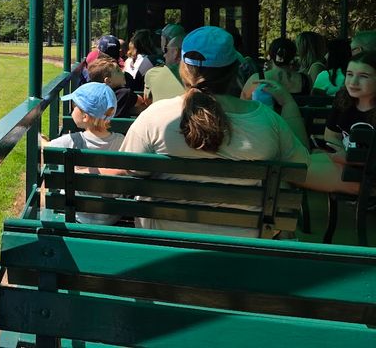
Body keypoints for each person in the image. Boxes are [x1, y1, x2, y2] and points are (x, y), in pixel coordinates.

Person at [118, 26, 358, 238]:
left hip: (167, 242)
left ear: (183, 68)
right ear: (235, 69)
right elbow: (302, 169)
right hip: (247, 243)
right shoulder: (267, 121)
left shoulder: (155, 117)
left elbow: (129, 169)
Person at [46, 82, 124, 225]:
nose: (72, 110)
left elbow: (45, 150)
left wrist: (41, 138)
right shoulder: (122, 141)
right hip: (111, 216)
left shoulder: (72, 141)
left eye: (74, 107)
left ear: (85, 117)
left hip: (77, 215)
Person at [324, 51, 376, 158]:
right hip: (344, 166)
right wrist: (342, 153)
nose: (353, 82)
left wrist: (351, 158)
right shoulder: (342, 99)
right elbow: (331, 135)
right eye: (349, 74)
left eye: (363, 76)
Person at [242, 38, 311, 98]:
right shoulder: (306, 80)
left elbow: (243, 104)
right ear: (293, 55)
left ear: (271, 54)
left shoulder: (256, 79)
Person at [143, 33, 184, 104]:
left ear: (176, 52)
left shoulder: (153, 74)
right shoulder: (201, 78)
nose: (164, 55)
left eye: (166, 50)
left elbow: (147, 101)